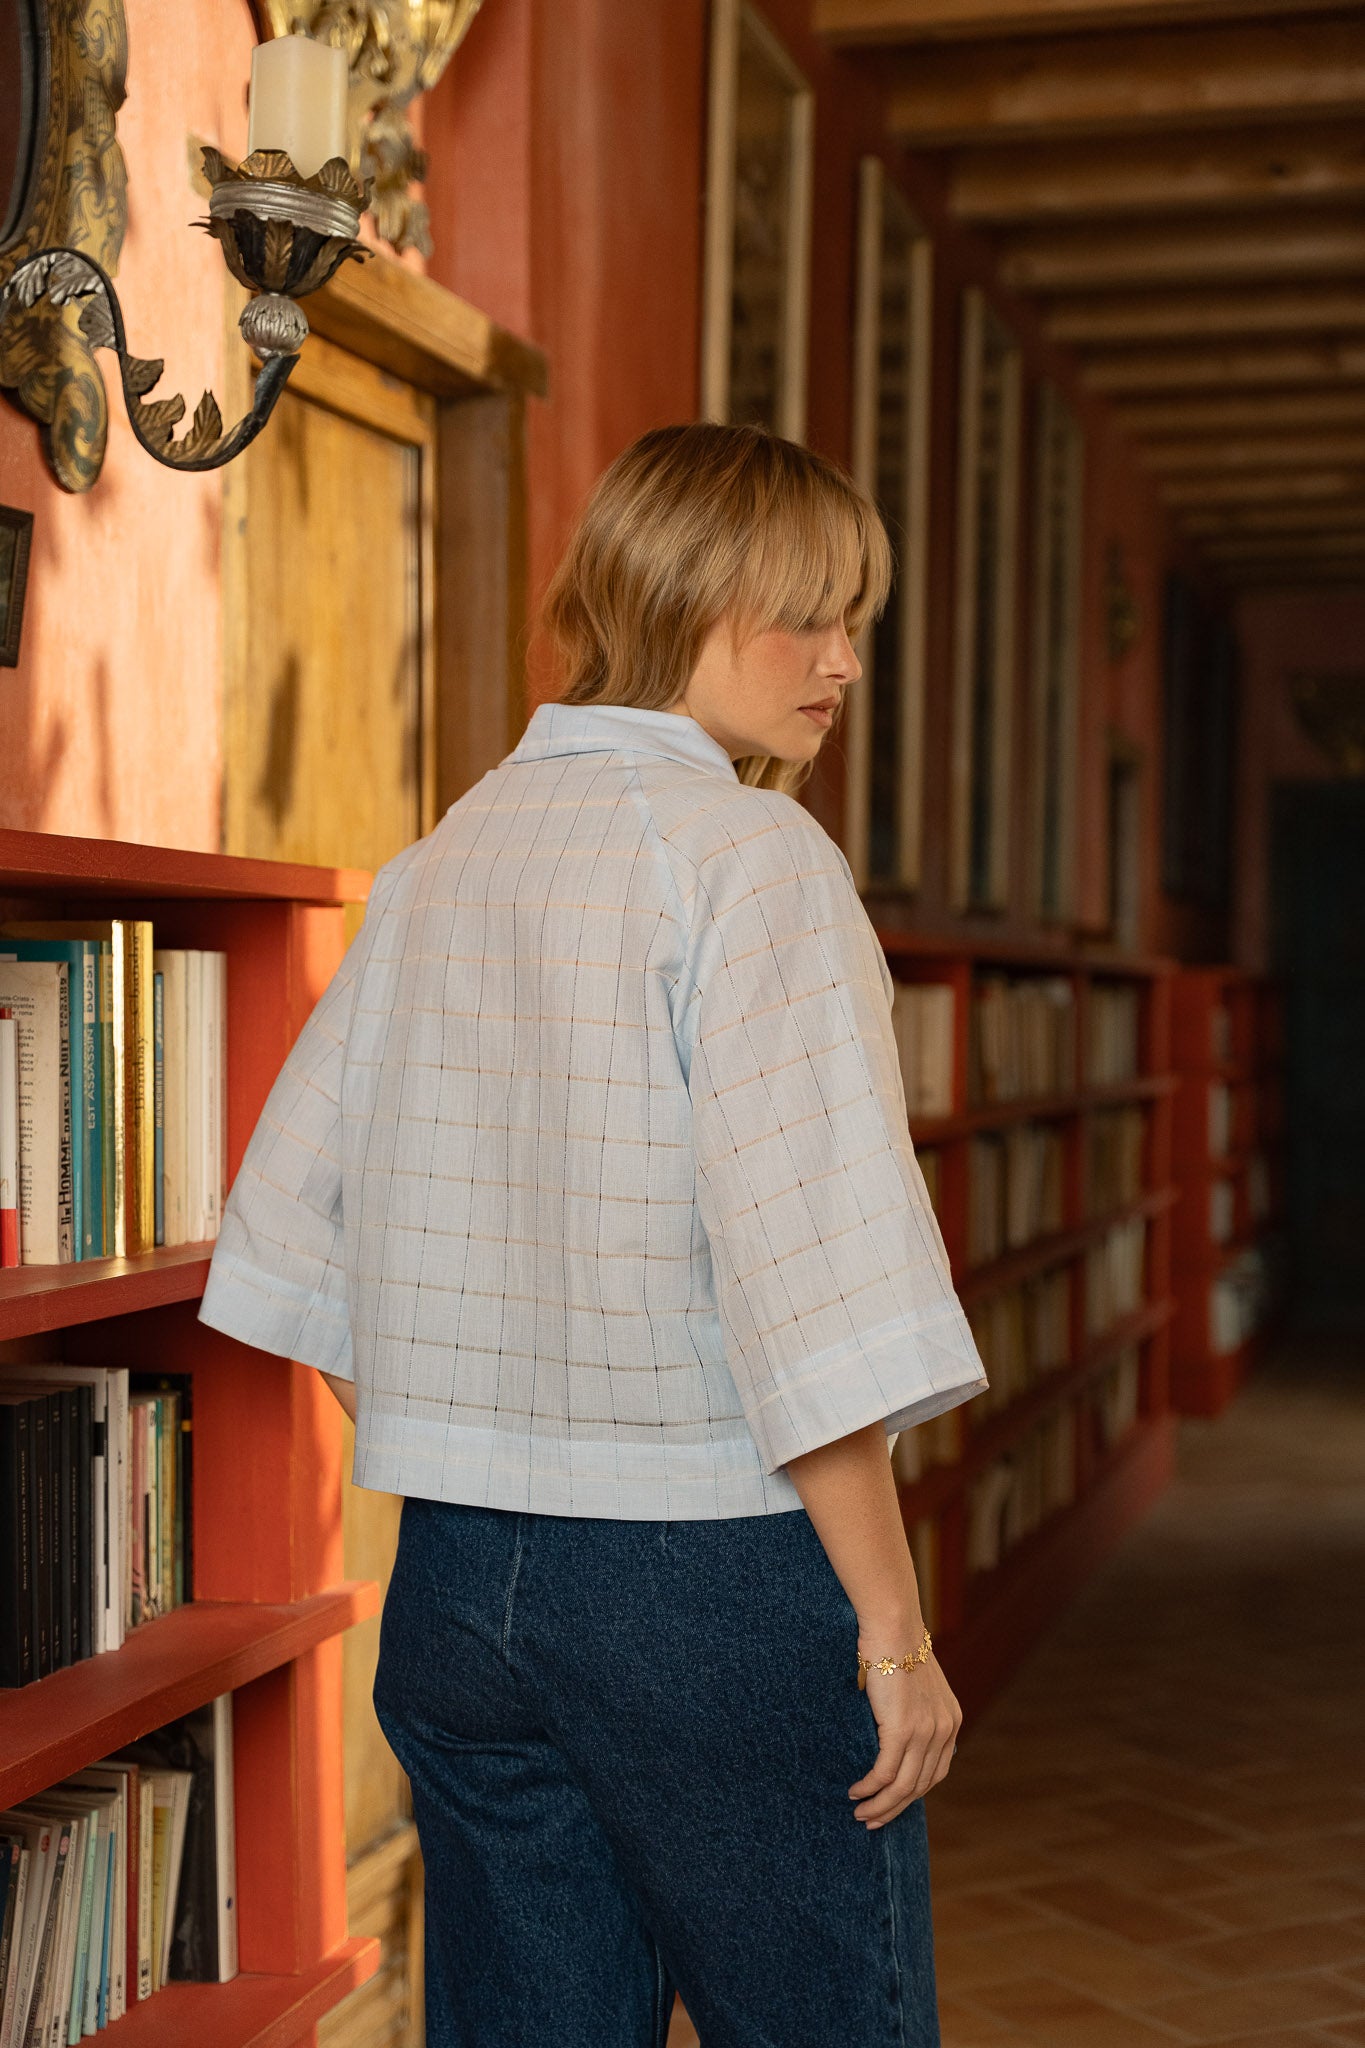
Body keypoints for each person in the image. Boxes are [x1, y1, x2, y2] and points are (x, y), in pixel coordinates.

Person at [198, 421, 989, 2047]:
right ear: (680, 594)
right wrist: (894, 1637)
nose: (841, 662)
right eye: (807, 615)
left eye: (854, 620)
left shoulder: (443, 858)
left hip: (456, 1582)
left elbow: (291, 1233)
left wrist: (482, 1445)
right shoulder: (751, 858)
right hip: (712, 1581)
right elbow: (814, 1286)